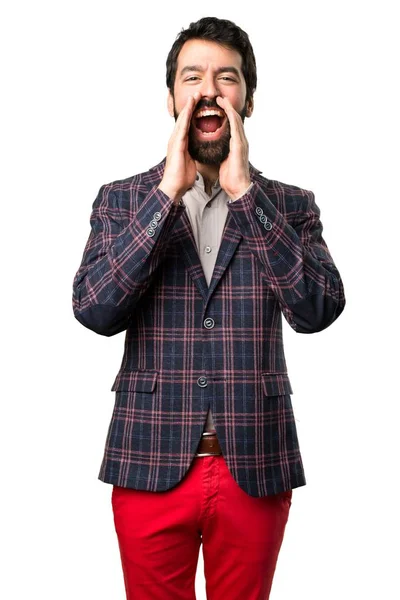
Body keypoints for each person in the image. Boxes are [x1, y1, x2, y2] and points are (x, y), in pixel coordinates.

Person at [72, 16, 345, 600]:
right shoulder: (121, 201)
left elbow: (317, 309)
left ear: (248, 99)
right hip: (148, 459)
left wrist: (247, 193)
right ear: (171, 98)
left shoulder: (291, 206)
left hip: (255, 462)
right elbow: (95, 308)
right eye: (192, 78)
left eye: (227, 78)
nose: (208, 91)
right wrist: (166, 194)